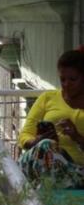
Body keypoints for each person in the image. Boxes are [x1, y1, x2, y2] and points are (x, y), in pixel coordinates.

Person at [18, 48, 84, 187]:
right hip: (44, 159)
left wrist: (77, 137)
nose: (66, 84)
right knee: (46, 146)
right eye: (62, 79)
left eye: (73, 79)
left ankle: (46, 187)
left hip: (75, 169)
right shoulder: (48, 98)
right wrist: (37, 140)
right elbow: (24, 136)